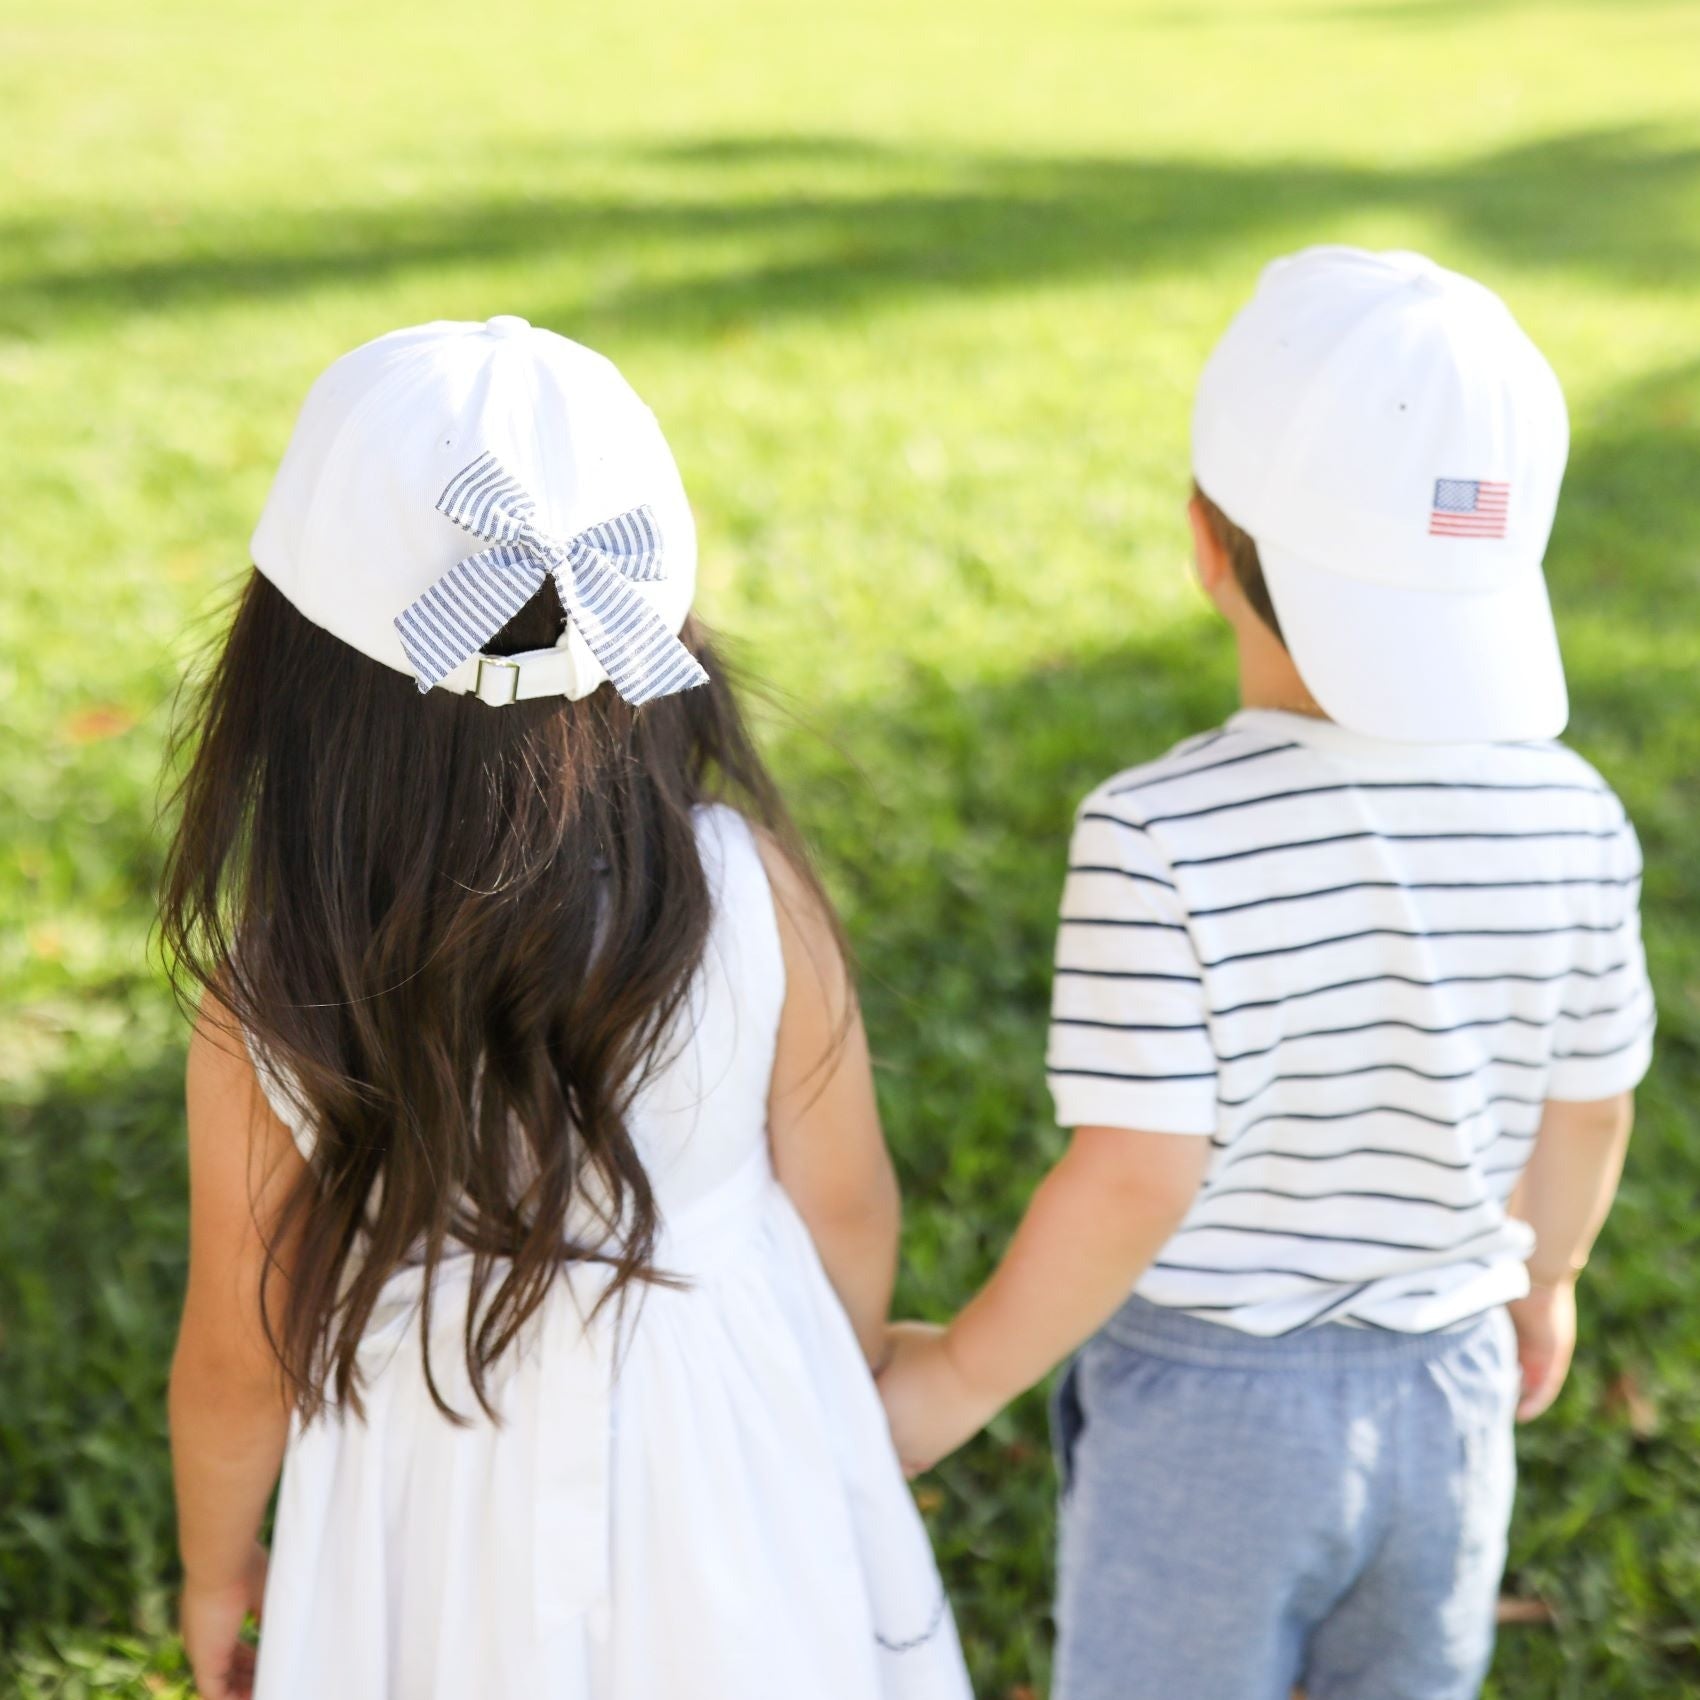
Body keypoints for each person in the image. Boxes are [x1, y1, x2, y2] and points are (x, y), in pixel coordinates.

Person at [878, 248, 1655, 1700]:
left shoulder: (1160, 832)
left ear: (1204, 540)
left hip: (1211, 1419)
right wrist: (1544, 1279)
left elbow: (1135, 1176)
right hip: (1452, 1390)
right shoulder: (1573, 809)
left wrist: (966, 1372)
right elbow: (1592, 1109)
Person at [162, 317, 971, 1700]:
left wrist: (217, 1570)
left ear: (290, 661)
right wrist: (824, 1400)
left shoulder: (277, 984)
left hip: (430, 1475)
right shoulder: (743, 886)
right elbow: (848, 1212)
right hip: (722, 1442)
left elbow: (244, 1347)